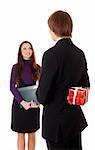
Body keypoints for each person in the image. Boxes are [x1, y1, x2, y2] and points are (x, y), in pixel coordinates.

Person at [36, 11, 90, 150]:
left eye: (50, 28)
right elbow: (85, 85)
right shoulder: (79, 53)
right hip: (74, 122)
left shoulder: (51, 55)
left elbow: (43, 97)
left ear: (54, 29)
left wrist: (37, 93)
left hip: (56, 126)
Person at [10, 41, 40, 150]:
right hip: (19, 104)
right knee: (20, 133)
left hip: (33, 104)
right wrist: (23, 102)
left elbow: (42, 87)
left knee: (32, 133)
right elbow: (12, 87)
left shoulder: (37, 67)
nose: (27, 51)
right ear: (20, 52)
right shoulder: (15, 67)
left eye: (29, 48)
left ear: (32, 51)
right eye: (24, 48)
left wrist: (37, 103)